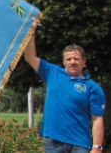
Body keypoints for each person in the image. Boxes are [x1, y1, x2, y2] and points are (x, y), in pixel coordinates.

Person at [25, 20, 106, 153]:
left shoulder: (93, 88)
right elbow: (30, 57)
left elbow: (97, 119)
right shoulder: (52, 72)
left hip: (80, 145)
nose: (72, 62)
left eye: (76, 59)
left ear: (84, 62)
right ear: (63, 62)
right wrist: (31, 32)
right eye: (68, 59)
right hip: (53, 143)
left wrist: (97, 147)